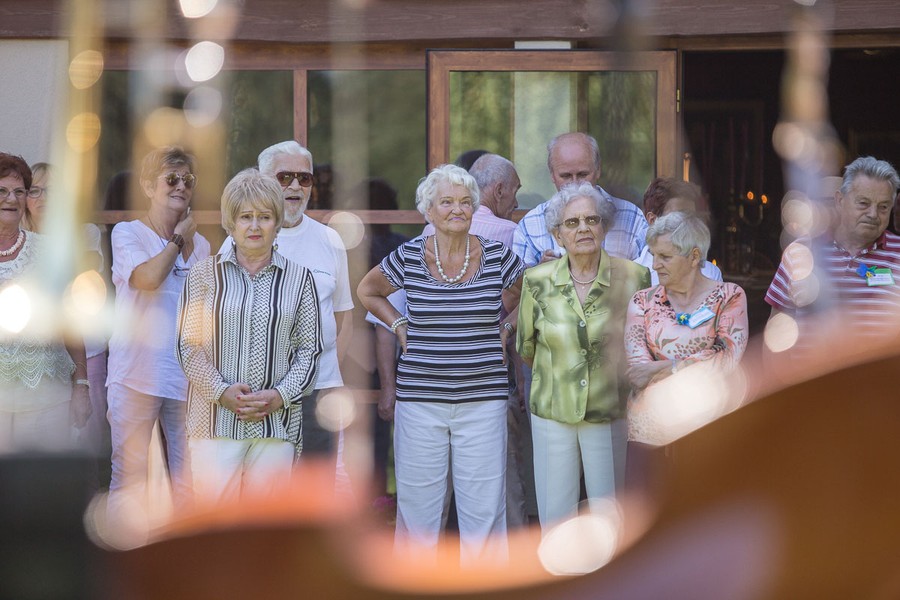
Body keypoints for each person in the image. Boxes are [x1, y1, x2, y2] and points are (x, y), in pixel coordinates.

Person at [358, 164, 524, 564]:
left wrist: (505, 328)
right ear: (428, 210)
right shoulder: (409, 256)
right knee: (418, 510)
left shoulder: (497, 256)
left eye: (465, 201)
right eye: (446, 202)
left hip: (483, 401)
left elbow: (529, 291)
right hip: (420, 403)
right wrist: (398, 324)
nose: (457, 209)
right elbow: (368, 290)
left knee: (484, 510)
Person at [177, 168, 322, 506]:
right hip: (215, 424)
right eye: (245, 217)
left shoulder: (300, 279)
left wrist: (279, 396)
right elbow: (188, 346)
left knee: (266, 528)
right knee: (214, 525)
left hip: (276, 425)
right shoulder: (203, 274)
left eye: (264, 217)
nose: (255, 226)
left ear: (277, 223)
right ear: (231, 222)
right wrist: (222, 392)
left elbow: (309, 351)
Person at [516, 182, 649, 532]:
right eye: (572, 223)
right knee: (556, 513)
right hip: (552, 409)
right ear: (557, 235)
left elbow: (640, 342)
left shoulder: (634, 277)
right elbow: (526, 346)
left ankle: (612, 570)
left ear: (604, 227)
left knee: (609, 512)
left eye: (592, 220)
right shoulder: (536, 280)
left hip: (609, 407)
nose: (583, 228)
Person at [221, 141, 353, 459]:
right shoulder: (237, 242)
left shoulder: (330, 240)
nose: (295, 186)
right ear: (264, 180)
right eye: (284, 177)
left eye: (304, 178)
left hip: (317, 391)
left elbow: (343, 317)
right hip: (258, 393)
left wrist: (327, 375)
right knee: (265, 487)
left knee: (316, 483)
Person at [107, 146, 210, 512]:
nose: (181, 186)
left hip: (186, 380)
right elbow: (147, 279)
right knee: (129, 476)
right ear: (148, 187)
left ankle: (186, 549)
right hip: (135, 376)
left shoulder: (203, 247)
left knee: (188, 480)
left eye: (188, 180)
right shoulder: (128, 233)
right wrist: (178, 238)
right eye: (172, 179)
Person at [624, 211, 748, 447]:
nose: (655, 265)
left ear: (694, 257)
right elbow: (639, 373)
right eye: (653, 255)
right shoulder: (642, 301)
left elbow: (727, 357)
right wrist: (696, 366)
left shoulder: (729, 296)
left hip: (708, 427)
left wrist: (668, 366)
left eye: (665, 257)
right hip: (650, 429)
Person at [0, 153, 91, 452]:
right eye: (2, 190)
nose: (11, 199)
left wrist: (82, 386)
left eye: (19, 191)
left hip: (48, 399)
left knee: (43, 479)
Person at [765, 156, 900, 349]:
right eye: (863, 203)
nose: (873, 214)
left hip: (881, 369)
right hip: (812, 368)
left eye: (883, 207)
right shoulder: (802, 252)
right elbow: (777, 332)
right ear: (840, 200)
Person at [513, 132, 648, 266]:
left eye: (583, 174)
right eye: (566, 176)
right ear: (552, 175)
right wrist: (540, 270)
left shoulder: (632, 218)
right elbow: (520, 279)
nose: (575, 183)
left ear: (598, 170)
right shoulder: (530, 225)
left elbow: (648, 274)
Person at [634, 177, 723, 284]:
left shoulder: (708, 273)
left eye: (692, 217)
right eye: (679, 217)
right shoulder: (633, 276)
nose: (689, 224)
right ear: (653, 220)